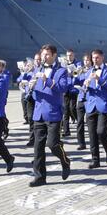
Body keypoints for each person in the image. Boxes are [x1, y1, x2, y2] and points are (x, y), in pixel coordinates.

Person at [28, 45, 70, 186]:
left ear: (54, 55)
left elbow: (63, 88)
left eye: (47, 55)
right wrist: (31, 87)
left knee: (53, 144)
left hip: (53, 113)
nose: (44, 57)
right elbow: (35, 94)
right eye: (43, 54)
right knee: (38, 148)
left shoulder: (62, 71)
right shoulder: (37, 69)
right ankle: (40, 177)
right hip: (38, 113)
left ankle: (65, 161)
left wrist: (48, 80)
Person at [83, 49, 107, 168]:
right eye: (93, 58)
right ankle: (95, 159)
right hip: (91, 105)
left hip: (103, 105)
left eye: (97, 58)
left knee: (101, 131)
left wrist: (99, 79)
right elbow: (85, 89)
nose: (94, 60)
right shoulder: (89, 71)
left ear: (102, 58)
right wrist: (85, 87)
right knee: (92, 134)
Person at [73, 53, 93, 150]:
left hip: (90, 99)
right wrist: (76, 74)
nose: (86, 62)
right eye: (85, 60)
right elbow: (74, 82)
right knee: (79, 122)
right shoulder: (81, 71)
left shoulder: (94, 71)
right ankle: (81, 143)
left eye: (88, 60)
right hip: (81, 98)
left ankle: (94, 140)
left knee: (90, 123)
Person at [62, 49, 79, 137]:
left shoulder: (78, 63)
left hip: (73, 89)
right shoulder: (63, 64)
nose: (69, 57)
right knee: (65, 110)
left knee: (72, 108)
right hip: (65, 89)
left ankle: (79, 121)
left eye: (71, 55)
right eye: (68, 55)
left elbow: (78, 73)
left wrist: (73, 73)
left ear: (74, 55)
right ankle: (66, 130)